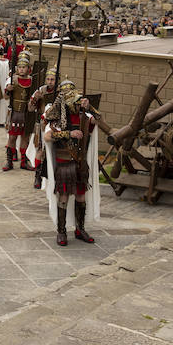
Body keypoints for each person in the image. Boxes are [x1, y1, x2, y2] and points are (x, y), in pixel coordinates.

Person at [42, 80, 99, 247]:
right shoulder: (57, 117)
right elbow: (47, 136)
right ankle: (61, 231)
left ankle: (80, 229)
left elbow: (98, 121)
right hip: (64, 162)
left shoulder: (84, 117)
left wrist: (90, 108)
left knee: (81, 196)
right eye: (71, 99)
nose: (74, 102)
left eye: (75, 99)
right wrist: (69, 133)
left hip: (80, 163)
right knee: (64, 197)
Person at [3, 51, 36, 172]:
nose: (22, 70)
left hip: (27, 113)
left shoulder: (32, 81)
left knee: (25, 138)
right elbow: (5, 97)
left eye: (24, 67)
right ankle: (9, 161)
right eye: (20, 67)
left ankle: (24, 161)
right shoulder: (12, 79)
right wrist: (8, 90)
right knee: (12, 138)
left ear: (28, 69)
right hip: (15, 113)